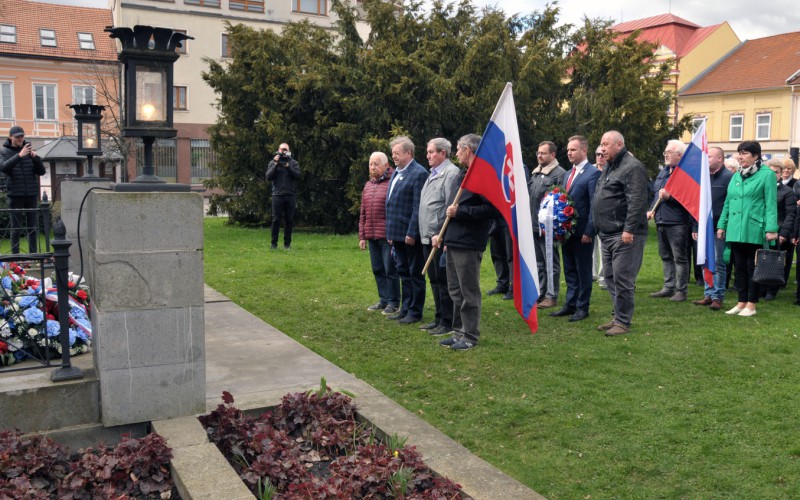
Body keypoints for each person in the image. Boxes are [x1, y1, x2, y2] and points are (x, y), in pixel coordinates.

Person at [435, 134, 496, 351]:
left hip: (469, 242)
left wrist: (462, 211)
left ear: (467, 149)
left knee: (468, 290)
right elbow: (451, 207)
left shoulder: (483, 176)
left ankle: (470, 334)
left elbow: (491, 209)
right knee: (455, 289)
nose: (456, 154)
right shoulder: (463, 174)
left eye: (459, 150)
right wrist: (442, 234)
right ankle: (459, 331)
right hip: (453, 239)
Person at [591, 130, 649, 336]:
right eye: (601, 144)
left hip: (624, 234)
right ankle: (617, 316)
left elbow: (637, 201)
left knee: (622, 278)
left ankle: (623, 321)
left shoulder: (632, 167)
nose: (602, 148)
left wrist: (629, 228)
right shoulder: (610, 168)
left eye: (606, 144)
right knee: (610, 277)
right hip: (607, 233)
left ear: (619, 144)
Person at [716, 141, 778, 317]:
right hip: (735, 228)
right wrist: (722, 225)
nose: (740, 157)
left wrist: (771, 228)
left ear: (756, 156)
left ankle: (751, 304)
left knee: (753, 268)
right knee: (740, 269)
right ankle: (741, 302)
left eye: (744, 153)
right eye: (739, 153)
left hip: (755, 228)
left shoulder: (767, 175)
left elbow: (771, 204)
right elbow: (728, 203)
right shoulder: (736, 175)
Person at [549, 136, 600, 322]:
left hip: (582, 233)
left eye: (573, 149)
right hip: (566, 231)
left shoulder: (592, 173)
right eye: (568, 150)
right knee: (569, 269)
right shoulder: (567, 174)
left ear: (584, 151)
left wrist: (589, 230)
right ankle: (570, 304)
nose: (569, 153)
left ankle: (582, 307)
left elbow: (594, 204)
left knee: (583, 270)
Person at [418, 138, 460, 336]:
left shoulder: (450, 173)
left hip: (439, 236)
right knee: (434, 279)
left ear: (443, 153)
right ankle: (438, 318)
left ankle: (448, 321)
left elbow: (447, 205)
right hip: (427, 236)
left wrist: (439, 233)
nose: (428, 155)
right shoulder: (432, 173)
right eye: (427, 152)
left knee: (443, 281)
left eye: (432, 152)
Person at [385, 135, 428, 324]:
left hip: (410, 235)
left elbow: (417, 206)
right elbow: (392, 203)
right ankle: (405, 307)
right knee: (403, 271)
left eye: (397, 153)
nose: (394, 156)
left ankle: (415, 311)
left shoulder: (418, 173)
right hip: (396, 233)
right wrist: (390, 233)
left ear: (408, 153)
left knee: (414, 273)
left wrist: (412, 232)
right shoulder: (396, 172)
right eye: (392, 153)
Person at [647, 140, 692, 302]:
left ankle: (681, 290)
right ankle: (668, 287)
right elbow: (656, 195)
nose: (665, 155)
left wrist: (670, 198)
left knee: (679, 257)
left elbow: (688, 198)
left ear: (679, 155)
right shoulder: (664, 172)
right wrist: (651, 209)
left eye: (669, 152)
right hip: (661, 220)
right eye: (665, 152)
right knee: (665, 256)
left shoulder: (685, 174)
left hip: (677, 222)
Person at [691, 147, 734, 310]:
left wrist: (723, 226)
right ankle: (708, 294)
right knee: (704, 260)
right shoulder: (702, 178)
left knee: (717, 262)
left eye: (709, 157)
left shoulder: (729, 178)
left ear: (720, 159)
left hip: (718, 228)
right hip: (703, 227)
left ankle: (718, 296)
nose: (706, 160)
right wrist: (696, 225)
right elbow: (697, 204)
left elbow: (729, 205)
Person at [358, 152, 400, 315]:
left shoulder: (392, 182)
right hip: (371, 236)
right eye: (370, 164)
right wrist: (362, 236)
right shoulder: (368, 185)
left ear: (386, 165)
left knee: (391, 270)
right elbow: (363, 212)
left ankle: (394, 301)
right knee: (377, 269)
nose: (373, 167)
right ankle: (383, 299)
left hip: (387, 236)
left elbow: (395, 210)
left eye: (376, 164)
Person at [528, 141, 566, 309]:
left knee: (551, 262)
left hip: (548, 227)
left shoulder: (559, 174)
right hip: (533, 224)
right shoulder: (536, 173)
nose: (539, 156)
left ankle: (552, 295)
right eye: (538, 152)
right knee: (539, 262)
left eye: (543, 153)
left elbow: (562, 201)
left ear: (552, 155)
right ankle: (541, 292)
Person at [1, 126, 45, 254]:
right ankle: (16, 258)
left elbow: (41, 172)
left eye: (22, 136)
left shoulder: (29, 151)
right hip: (15, 194)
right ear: (10, 137)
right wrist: (19, 156)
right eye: (17, 137)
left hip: (31, 194)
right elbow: (3, 168)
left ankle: (33, 256)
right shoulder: (3, 151)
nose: (20, 139)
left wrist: (36, 158)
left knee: (32, 227)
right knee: (15, 228)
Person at [762, 158, 797, 300]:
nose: (774, 174)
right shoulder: (761, 188)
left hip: (778, 230)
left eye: (776, 172)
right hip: (761, 230)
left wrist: (783, 233)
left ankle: (772, 290)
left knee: (775, 262)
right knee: (761, 260)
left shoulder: (788, 192)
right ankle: (761, 287)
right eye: (771, 171)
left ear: (781, 173)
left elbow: (790, 214)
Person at [266, 142, 300, 250]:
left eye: (286, 149)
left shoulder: (293, 163)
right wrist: (276, 164)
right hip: (277, 195)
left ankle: (287, 244)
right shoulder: (273, 162)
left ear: (289, 151)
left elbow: (298, 175)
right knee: (276, 219)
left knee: (289, 220)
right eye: (282, 149)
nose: (283, 151)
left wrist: (288, 167)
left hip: (290, 195)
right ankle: (273, 244)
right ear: (278, 150)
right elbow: (268, 176)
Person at [593, 146, 607, 289]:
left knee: (603, 247)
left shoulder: (610, 170)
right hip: (591, 213)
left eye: (603, 154)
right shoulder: (591, 170)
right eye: (598, 154)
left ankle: (603, 277)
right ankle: (592, 274)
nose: (600, 157)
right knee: (591, 246)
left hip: (604, 215)